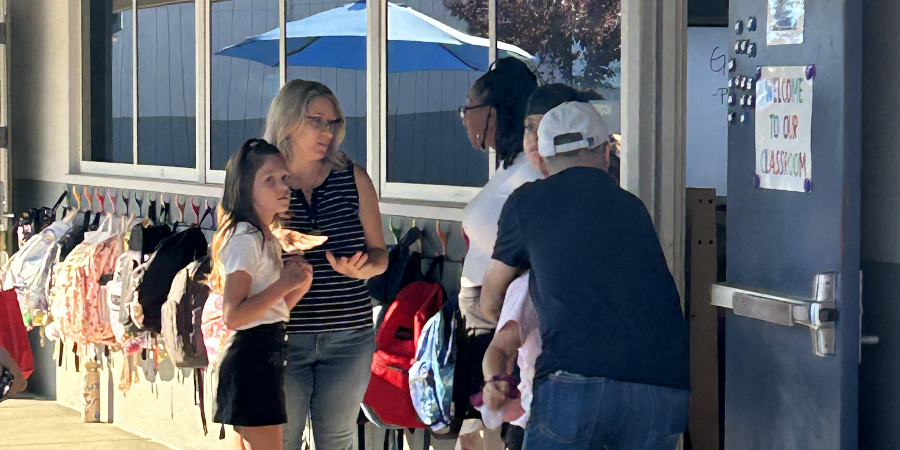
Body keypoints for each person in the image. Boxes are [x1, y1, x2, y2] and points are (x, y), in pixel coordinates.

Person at [481, 102, 691, 450]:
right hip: (663, 384)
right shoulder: (632, 207)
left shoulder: (527, 202)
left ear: (543, 162)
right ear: (606, 153)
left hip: (574, 376)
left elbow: (490, 301)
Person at [264, 80, 388, 450]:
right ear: (287, 121)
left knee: (337, 439)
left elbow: (380, 255)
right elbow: (232, 245)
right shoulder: (263, 179)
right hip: (283, 336)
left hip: (348, 335)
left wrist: (364, 268)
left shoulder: (353, 177)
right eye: (316, 120)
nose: (327, 131)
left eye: (333, 123)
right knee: (280, 439)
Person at [209, 139, 315, 450]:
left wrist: (298, 286)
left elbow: (269, 312)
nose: (283, 186)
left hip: (265, 352)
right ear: (245, 188)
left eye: (284, 178)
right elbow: (235, 315)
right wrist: (284, 283)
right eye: (269, 180)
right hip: (252, 359)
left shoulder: (264, 235)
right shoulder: (245, 237)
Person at [457, 57, 540, 449]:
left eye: (468, 109)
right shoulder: (508, 170)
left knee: (494, 429)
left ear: (492, 113)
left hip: (502, 319)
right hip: (483, 317)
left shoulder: (530, 174)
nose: (464, 119)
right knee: (481, 428)